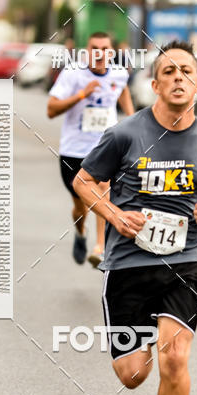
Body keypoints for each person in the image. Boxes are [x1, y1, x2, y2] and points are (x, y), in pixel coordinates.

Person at [73, 40, 197, 395]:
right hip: (128, 263)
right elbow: (84, 181)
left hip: (187, 261)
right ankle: (138, 344)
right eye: (169, 71)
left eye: (187, 71)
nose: (179, 77)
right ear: (155, 83)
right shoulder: (125, 134)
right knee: (133, 375)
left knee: (175, 357)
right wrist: (116, 216)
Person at [47, 32, 134, 267]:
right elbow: (51, 109)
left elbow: (123, 90)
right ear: (87, 51)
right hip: (73, 151)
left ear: (111, 52)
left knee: (103, 188)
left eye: (105, 49)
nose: (100, 53)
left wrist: (132, 120)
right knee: (80, 205)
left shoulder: (119, 73)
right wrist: (82, 95)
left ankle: (100, 246)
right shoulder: (73, 74)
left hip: (104, 147)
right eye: (95, 48)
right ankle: (80, 232)